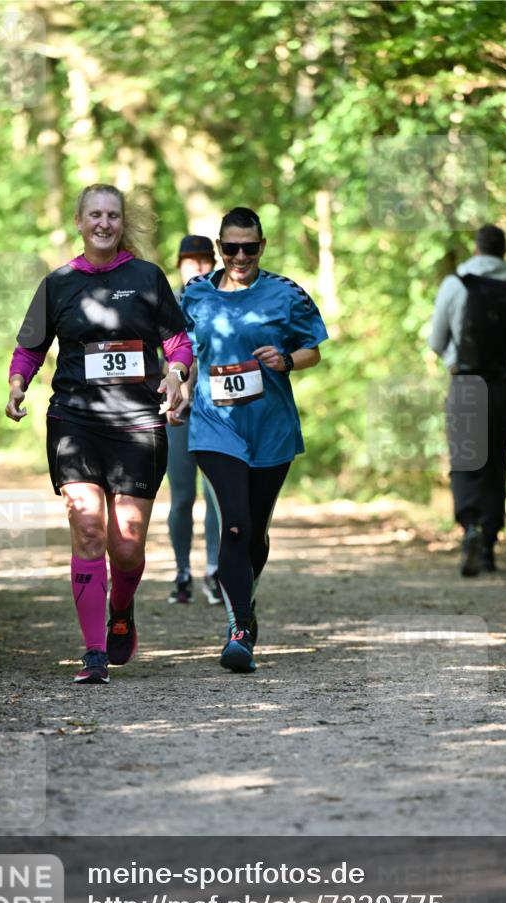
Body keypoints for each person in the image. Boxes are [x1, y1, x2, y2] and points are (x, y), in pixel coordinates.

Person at [5, 184, 192, 683]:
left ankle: (122, 610)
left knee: (126, 544)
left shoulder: (147, 277)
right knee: (88, 527)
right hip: (75, 420)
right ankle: (93, 652)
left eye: (112, 215)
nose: (103, 223)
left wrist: (176, 374)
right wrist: (18, 384)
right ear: (79, 220)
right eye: (95, 215)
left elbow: (178, 343)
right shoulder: (59, 283)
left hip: (137, 424)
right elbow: (29, 347)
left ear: (121, 221)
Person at [181, 206, 328, 673]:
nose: (240, 255)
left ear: (261, 246)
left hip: (270, 426)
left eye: (249, 247)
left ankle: (245, 596)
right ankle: (240, 629)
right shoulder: (195, 295)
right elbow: (179, 350)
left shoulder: (286, 294)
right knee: (236, 524)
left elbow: (314, 351)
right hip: (214, 424)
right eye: (231, 248)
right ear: (219, 248)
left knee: (256, 531)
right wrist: (178, 384)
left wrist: (285, 360)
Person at [430, 224, 506, 576]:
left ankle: (471, 529)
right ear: (505, 251)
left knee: (465, 461)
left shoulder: (455, 283)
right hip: (504, 387)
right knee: (496, 461)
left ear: (476, 250)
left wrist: (456, 363)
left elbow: (436, 340)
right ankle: (490, 547)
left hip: (465, 382)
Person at [165, 235, 221, 606]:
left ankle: (215, 570)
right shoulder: (164, 303)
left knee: (216, 496)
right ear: (180, 265)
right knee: (182, 496)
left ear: (213, 264)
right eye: (190, 261)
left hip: (218, 414)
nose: (197, 267)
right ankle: (182, 571)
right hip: (177, 415)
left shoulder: (224, 302)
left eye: (204, 261)